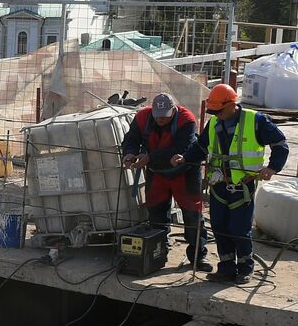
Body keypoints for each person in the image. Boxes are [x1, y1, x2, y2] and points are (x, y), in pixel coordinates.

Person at [180, 84, 289, 283]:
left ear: (232, 105)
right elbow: (200, 146)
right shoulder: (214, 123)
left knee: (239, 228)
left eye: (219, 111)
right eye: (214, 112)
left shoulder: (256, 121)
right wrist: (185, 158)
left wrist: (273, 168)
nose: (217, 115)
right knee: (220, 226)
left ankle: (245, 268)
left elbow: (280, 144)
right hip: (219, 185)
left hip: (242, 186)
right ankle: (226, 268)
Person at [120, 92, 209, 271]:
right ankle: (158, 253)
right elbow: (131, 139)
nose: (161, 120)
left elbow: (180, 149)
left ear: (174, 110)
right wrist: (129, 153)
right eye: (157, 117)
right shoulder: (143, 117)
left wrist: (148, 158)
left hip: (185, 173)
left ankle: (198, 257)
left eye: (165, 117)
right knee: (156, 214)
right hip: (157, 173)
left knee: (192, 215)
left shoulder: (186, 120)